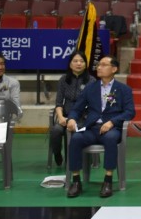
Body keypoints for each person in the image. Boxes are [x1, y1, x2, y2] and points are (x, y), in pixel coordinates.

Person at [66, 55, 135, 198]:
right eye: (98, 65)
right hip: (92, 128)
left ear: (114, 69)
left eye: (104, 65)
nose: (99, 67)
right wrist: (71, 118)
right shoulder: (90, 88)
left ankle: (107, 180)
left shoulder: (124, 89)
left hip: (112, 129)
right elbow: (77, 108)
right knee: (76, 138)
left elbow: (130, 112)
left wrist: (112, 122)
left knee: (110, 139)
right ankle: (76, 181)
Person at [50, 51, 96, 167]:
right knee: (56, 131)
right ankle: (57, 154)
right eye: (75, 61)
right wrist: (61, 117)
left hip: (83, 118)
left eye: (81, 61)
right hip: (65, 116)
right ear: (70, 64)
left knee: (74, 132)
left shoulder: (91, 80)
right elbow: (59, 103)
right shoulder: (63, 79)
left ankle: (75, 160)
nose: (78, 64)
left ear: (85, 64)